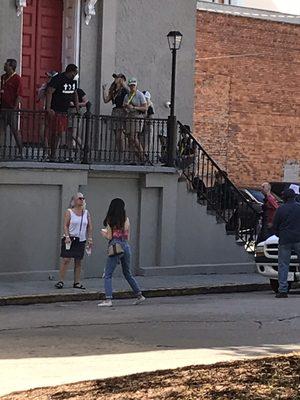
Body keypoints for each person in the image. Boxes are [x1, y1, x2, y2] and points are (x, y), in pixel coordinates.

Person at [98, 198, 145, 307]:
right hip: (126, 246)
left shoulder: (110, 220)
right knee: (127, 273)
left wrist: (103, 233)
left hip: (115, 247)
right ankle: (139, 295)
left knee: (108, 274)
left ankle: (108, 299)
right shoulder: (126, 219)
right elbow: (127, 236)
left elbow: (109, 236)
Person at [55, 192, 93, 290]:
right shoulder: (69, 212)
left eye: (83, 198)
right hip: (71, 238)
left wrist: (89, 238)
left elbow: (89, 226)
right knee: (66, 260)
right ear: (74, 201)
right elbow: (65, 225)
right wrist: (67, 236)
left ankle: (76, 282)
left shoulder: (86, 213)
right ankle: (61, 281)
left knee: (78, 261)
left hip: (81, 239)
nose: (82, 200)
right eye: (80, 198)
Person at [45, 64, 79, 160]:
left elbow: (75, 94)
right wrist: (48, 108)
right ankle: (52, 154)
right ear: (70, 71)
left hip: (64, 111)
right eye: (75, 72)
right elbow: (49, 91)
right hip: (56, 110)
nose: (75, 74)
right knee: (55, 133)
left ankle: (53, 153)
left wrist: (77, 109)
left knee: (60, 133)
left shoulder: (73, 81)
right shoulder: (58, 78)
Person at [272, 188, 300, 298]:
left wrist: (279, 234)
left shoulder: (280, 209)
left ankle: (283, 290)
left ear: (285, 198)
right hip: (298, 238)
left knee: (283, 265)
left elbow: (275, 225)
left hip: (285, 239)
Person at [102, 73, 128, 158]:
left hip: (122, 111)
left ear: (121, 79)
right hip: (115, 112)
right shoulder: (114, 90)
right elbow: (106, 100)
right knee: (116, 135)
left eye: (117, 78)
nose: (115, 79)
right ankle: (120, 153)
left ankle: (123, 154)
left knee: (119, 136)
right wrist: (104, 90)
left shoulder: (124, 90)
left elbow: (128, 99)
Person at [0, 58, 23, 154]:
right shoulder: (3, 77)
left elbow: (19, 95)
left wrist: (14, 107)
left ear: (11, 67)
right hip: (2, 107)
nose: (4, 66)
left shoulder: (17, 78)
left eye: (6, 64)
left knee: (14, 130)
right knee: (1, 129)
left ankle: (21, 150)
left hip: (11, 108)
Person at [123, 77, 148, 163]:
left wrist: (134, 107)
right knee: (130, 139)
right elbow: (124, 106)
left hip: (137, 116)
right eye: (130, 86)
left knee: (134, 137)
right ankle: (139, 157)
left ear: (136, 86)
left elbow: (145, 108)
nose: (132, 87)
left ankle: (143, 155)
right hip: (129, 116)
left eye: (133, 85)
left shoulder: (140, 95)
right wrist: (126, 107)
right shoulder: (127, 95)